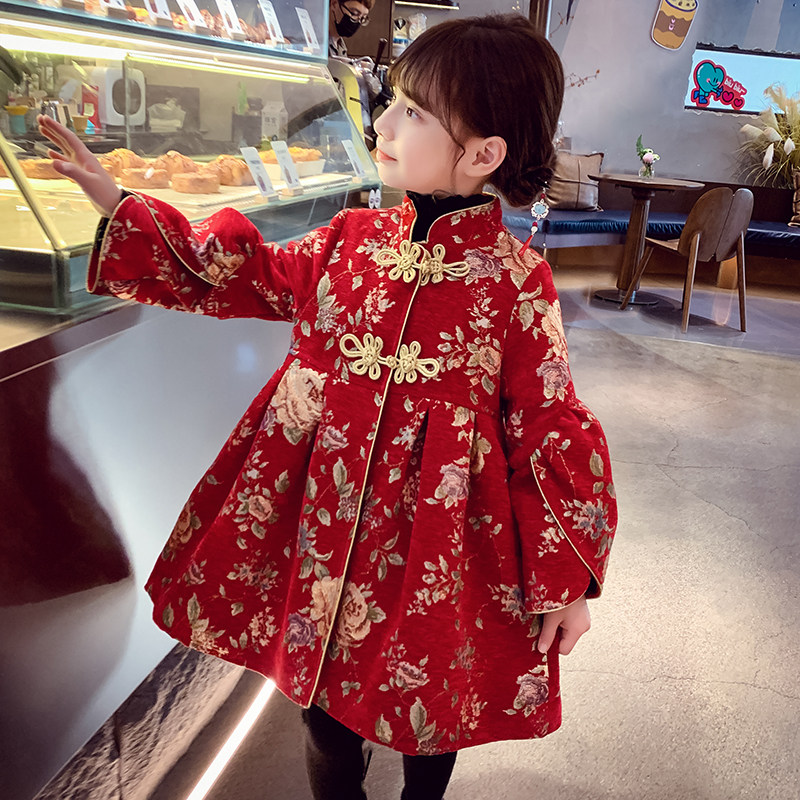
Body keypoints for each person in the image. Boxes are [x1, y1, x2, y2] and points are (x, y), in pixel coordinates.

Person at [38, 13, 617, 800]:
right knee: (320, 700)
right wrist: (120, 203)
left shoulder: (515, 284)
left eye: (415, 113)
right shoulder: (348, 240)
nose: (384, 123)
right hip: (326, 523)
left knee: (425, 710)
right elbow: (239, 273)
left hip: (440, 542)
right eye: (393, 101)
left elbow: (549, 423)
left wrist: (566, 580)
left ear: (483, 155)